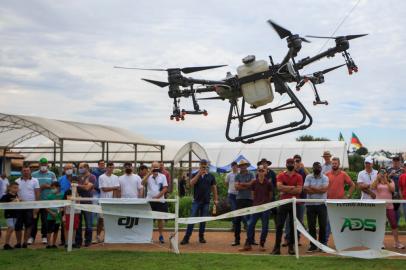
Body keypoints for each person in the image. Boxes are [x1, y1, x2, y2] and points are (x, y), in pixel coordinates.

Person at [181, 160, 218, 245]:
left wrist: (216, 199)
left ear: (207, 166)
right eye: (202, 166)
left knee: (203, 220)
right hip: (196, 201)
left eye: (205, 166)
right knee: (192, 218)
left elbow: (214, 188)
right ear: (199, 166)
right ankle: (186, 237)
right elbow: (191, 183)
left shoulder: (211, 176)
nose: (204, 167)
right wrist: (199, 173)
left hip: (206, 201)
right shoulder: (195, 174)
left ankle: (201, 237)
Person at [271, 158, 303, 255]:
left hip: (294, 204)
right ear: (286, 164)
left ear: (294, 164)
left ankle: (291, 247)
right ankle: (276, 248)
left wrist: (285, 189)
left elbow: (299, 191)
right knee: (279, 225)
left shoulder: (299, 176)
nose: (290, 164)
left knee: (293, 226)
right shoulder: (281, 175)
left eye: (291, 163)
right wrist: (292, 187)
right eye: (288, 163)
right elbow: (279, 187)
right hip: (283, 203)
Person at [240, 165, 272, 252]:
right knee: (250, 225)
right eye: (259, 170)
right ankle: (248, 244)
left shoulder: (268, 183)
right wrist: (256, 204)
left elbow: (270, 195)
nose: (261, 172)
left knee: (265, 227)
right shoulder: (254, 183)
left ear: (265, 172)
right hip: (256, 207)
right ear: (257, 172)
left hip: (266, 208)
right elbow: (253, 194)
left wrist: (266, 204)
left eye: (263, 170)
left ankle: (262, 244)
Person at [371, 168, 404, 249]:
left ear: (386, 173)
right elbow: (372, 187)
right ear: (378, 173)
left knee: (394, 224)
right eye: (381, 172)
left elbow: (392, 190)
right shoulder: (376, 181)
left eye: (384, 172)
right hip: (379, 207)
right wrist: (377, 179)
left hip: (389, 206)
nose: (382, 174)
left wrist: (386, 180)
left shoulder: (390, 181)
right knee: (380, 225)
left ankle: (397, 242)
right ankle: (380, 242)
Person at [325, 157, 355, 244]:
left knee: (341, 223)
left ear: (339, 164)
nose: (334, 165)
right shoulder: (327, 175)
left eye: (335, 163)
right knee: (327, 223)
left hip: (340, 203)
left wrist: (347, 196)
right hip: (329, 202)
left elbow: (352, 185)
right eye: (333, 163)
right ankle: (324, 241)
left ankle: (342, 242)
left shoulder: (343, 174)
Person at [30, 157, 57, 245]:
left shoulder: (52, 174)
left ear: (47, 164)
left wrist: (47, 186)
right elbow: (31, 186)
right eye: (42, 164)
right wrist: (40, 188)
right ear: (39, 164)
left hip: (47, 201)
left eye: (45, 164)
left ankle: (44, 236)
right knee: (34, 220)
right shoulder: (34, 174)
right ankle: (31, 237)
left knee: (45, 220)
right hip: (36, 201)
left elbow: (55, 186)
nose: (43, 165)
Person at [303, 162, 329, 253]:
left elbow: (324, 190)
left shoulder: (325, 178)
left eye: (318, 167)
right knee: (311, 226)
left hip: (322, 205)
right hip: (310, 205)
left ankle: (322, 245)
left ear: (321, 168)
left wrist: (312, 188)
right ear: (313, 168)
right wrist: (318, 189)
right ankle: (313, 245)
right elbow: (306, 189)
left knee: (323, 225)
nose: (317, 168)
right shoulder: (308, 177)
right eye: (315, 167)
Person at [283, 154, 306, 247]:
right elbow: (282, 187)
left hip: (301, 200)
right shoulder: (287, 172)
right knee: (288, 220)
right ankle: (286, 238)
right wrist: (293, 188)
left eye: (298, 161)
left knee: (299, 220)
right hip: (289, 200)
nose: (296, 163)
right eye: (295, 161)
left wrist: (303, 168)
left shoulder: (303, 172)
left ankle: (297, 238)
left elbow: (309, 177)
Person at [142, 161, 168, 244]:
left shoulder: (163, 176)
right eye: (154, 167)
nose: (156, 169)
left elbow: (165, 188)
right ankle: (149, 236)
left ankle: (161, 236)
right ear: (151, 167)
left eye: (157, 167)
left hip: (160, 200)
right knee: (149, 219)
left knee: (160, 219)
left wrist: (157, 197)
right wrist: (149, 173)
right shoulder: (148, 176)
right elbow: (142, 183)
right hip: (150, 200)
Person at [15, 165, 40, 248]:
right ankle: (18, 243)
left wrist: (36, 206)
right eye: (24, 170)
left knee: (28, 225)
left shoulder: (35, 180)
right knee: (18, 226)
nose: (26, 172)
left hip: (30, 207)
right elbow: (15, 194)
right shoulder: (17, 181)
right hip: (19, 207)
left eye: (27, 170)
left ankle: (25, 243)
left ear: (30, 171)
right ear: (21, 172)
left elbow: (37, 193)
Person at [97, 162, 120, 242]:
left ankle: (108, 237)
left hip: (112, 202)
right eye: (109, 167)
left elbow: (116, 190)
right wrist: (114, 188)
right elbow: (103, 189)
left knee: (111, 219)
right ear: (106, 168)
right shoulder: (101, 177)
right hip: (103, 201)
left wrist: (115, 200)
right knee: (101, 220)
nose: (111, 169)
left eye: (112, 167)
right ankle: (98, 236)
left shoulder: (116, 177)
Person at [75, 162, 96, 247]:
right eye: (79, 167)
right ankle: (78, 242)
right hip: (78, 202)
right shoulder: (78, 177)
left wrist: (77, 185)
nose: (80, 169)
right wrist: (82, 185)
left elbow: (88, 188)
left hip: (88, 202)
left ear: (87, 167)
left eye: (81, 167)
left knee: (88, 224)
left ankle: (88, 241)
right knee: (78, 224)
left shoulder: (92, 177)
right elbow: (74, 188)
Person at [58, 163, 76, 246]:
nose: (69, 170)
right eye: (67, 168)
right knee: (64, 222)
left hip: (75, 203)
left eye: (70, 168)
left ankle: (74, 241)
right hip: (63, 203)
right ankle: (64, 241)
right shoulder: (60, 179)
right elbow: (58, 190)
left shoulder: (76, 178)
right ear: (64, 170)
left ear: (73, 169)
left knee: (75, 224)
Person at [1, 182, 19, 250]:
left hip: (15, 214)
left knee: (12, 228)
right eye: (14, 187)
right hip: (9, 214)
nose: (16, 189)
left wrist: (19, 200)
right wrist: (12, 202)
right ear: (9, 188)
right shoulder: (6, 195)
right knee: (10, 227)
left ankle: (7, 244)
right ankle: (6, 244)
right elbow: (2, 203)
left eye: (17, 188)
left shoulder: (16, 195)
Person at [45, 182, 63, 249]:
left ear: (58, 188)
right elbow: (46, 206)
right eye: (51, 188)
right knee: (49, 231)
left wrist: (59, 212)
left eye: (54, 188)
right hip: (50, 216)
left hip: (58, 217)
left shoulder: (62, 195)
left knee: (56, 230)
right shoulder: (49, 196)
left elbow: (63, 206)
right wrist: (51, 212)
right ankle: (48, 244)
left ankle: (54, 244)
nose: (52, 189)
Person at [91, 159, 105, 243]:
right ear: (98, 165)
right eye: (101, 164)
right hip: (96, 193)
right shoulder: (94, 172)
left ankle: (99, 236)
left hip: (104, 195)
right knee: (94, 212)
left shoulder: (106, 172)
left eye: (103, 164)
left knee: (102, 216)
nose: (102, 165)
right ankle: (95, 235)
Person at [225, 161, 241, 231]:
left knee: (240, 210)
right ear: (231, 167)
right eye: (233, 166)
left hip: (239, 195)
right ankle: (234, 226)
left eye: (236, 166)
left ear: (237, 167)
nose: (235, 167)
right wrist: (231, 188)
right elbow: (226, 183)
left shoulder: (240, 174)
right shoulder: (229, 175)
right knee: (234, 210)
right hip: (231, 195)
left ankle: (244, 225)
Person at [387, 156, 403, 224]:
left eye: (397, 161)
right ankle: (391, 223)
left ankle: (397, 223)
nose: (396, 162)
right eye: (394, 161)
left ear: (399, 162)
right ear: (392, 162)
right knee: (390, 209)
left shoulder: (402, 170)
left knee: (397, 209)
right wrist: (390, 175)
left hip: (399, 193)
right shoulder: (389, 169)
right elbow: (384, 180)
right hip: (390, 193)